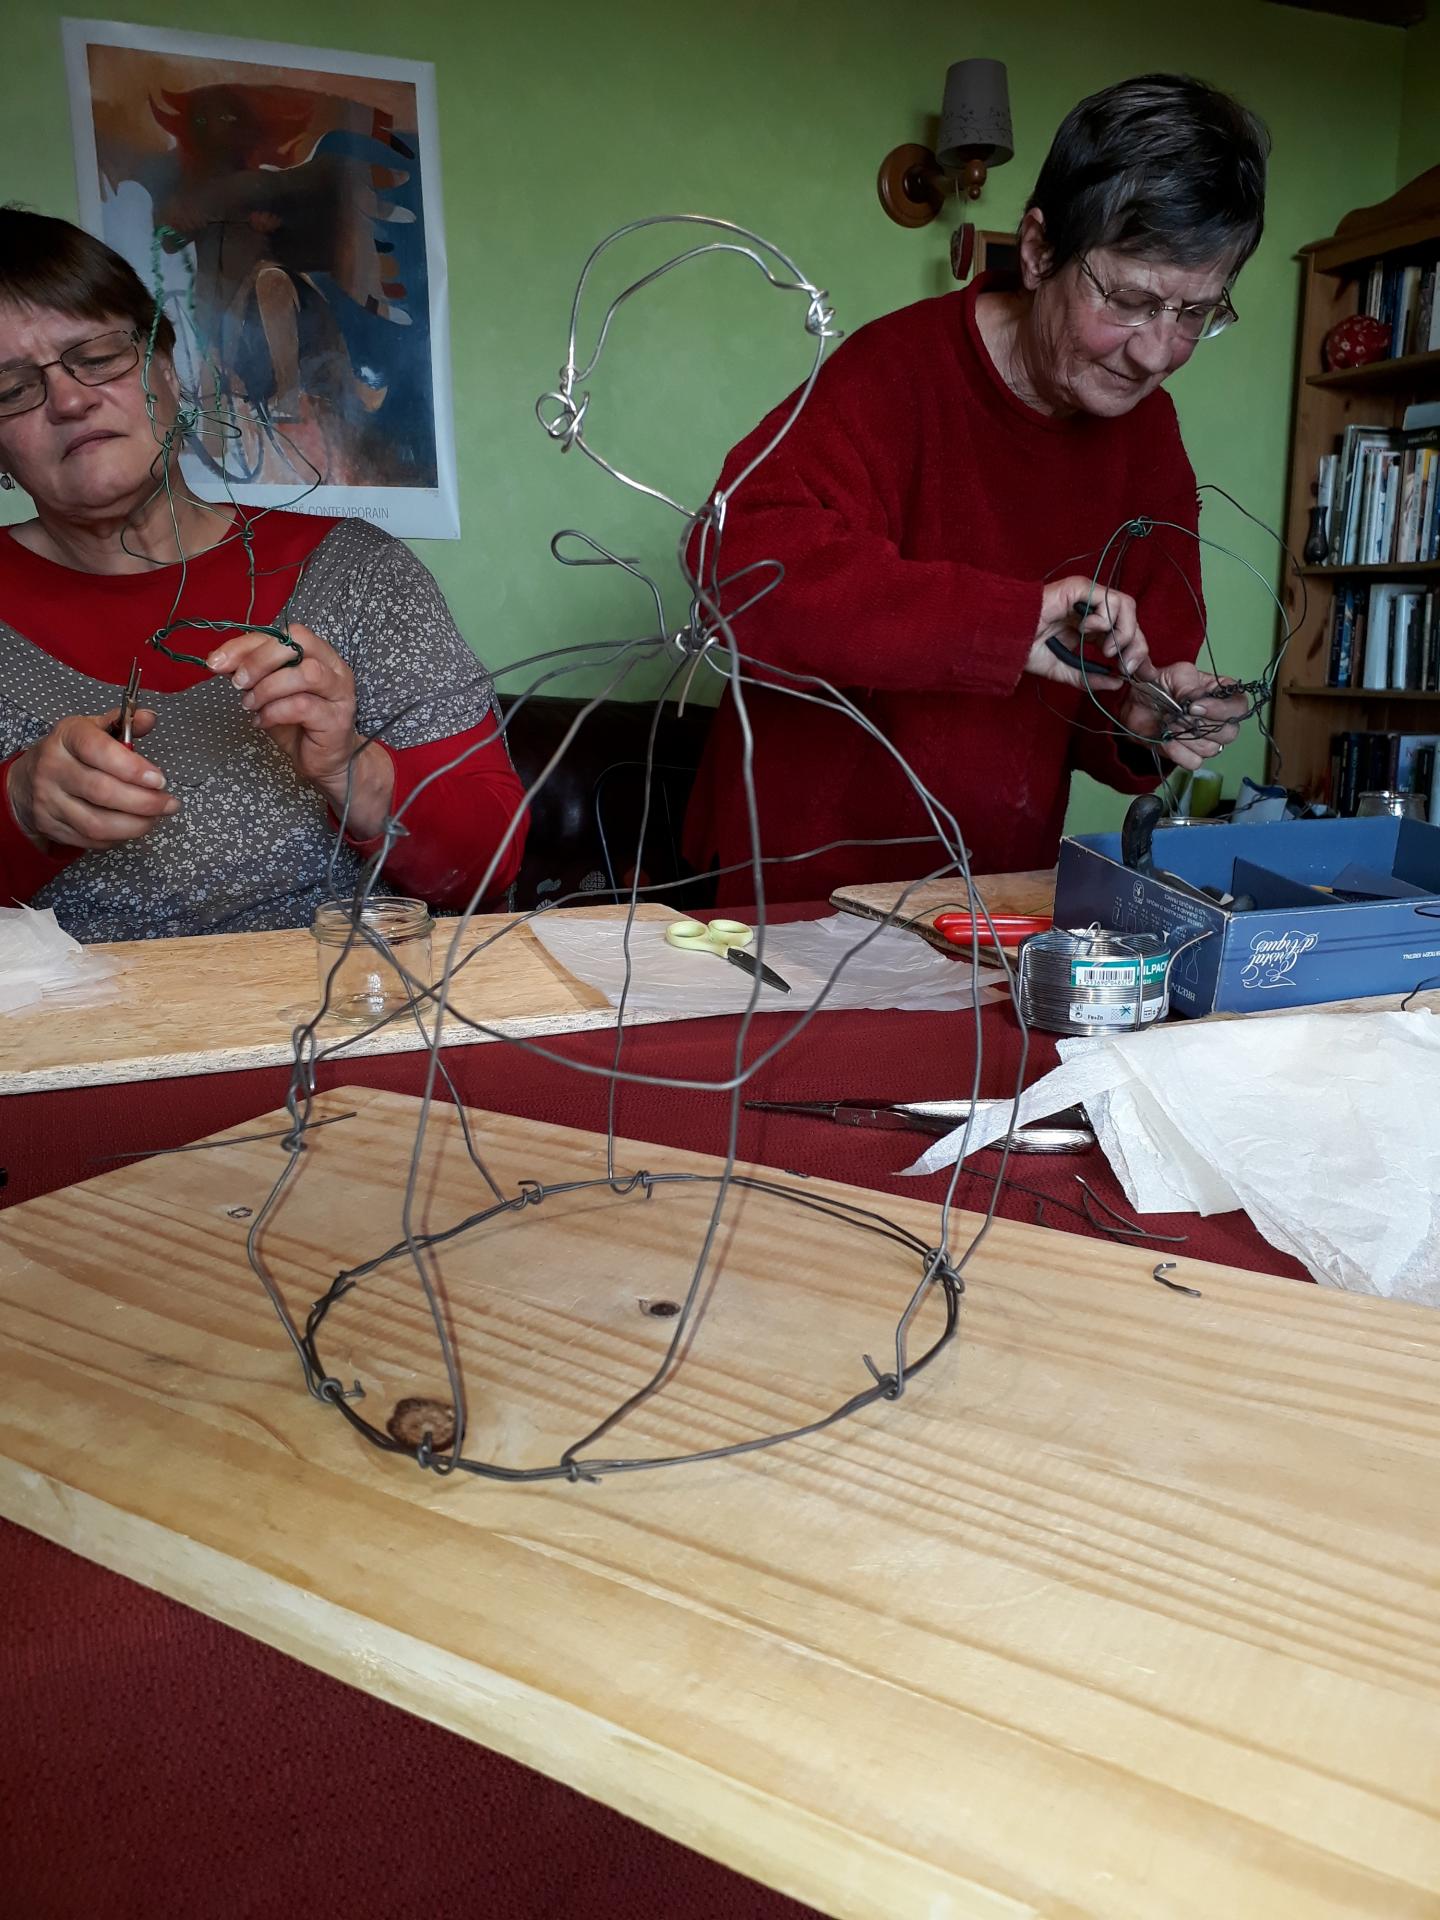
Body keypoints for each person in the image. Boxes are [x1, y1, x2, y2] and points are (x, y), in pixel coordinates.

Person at [684, 74, 1268, 905]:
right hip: (795, 903)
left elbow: (1130, 692)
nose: (1156, 352)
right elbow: (731, 568)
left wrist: (1150, 719)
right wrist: (1008, 621)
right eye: (1134, 302)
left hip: (987, 905)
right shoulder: (891, 374)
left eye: (1196, 315)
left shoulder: (1148, 438)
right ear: (1037, 250)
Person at [0, 209, 526, 943]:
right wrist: (19, 810)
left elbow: (491, 867)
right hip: (74, 1051)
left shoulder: (357, 572)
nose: (69, 399)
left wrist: (350, 769)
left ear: (167, 367)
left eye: (97, 355)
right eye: (11, 389)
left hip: (341, 1025)